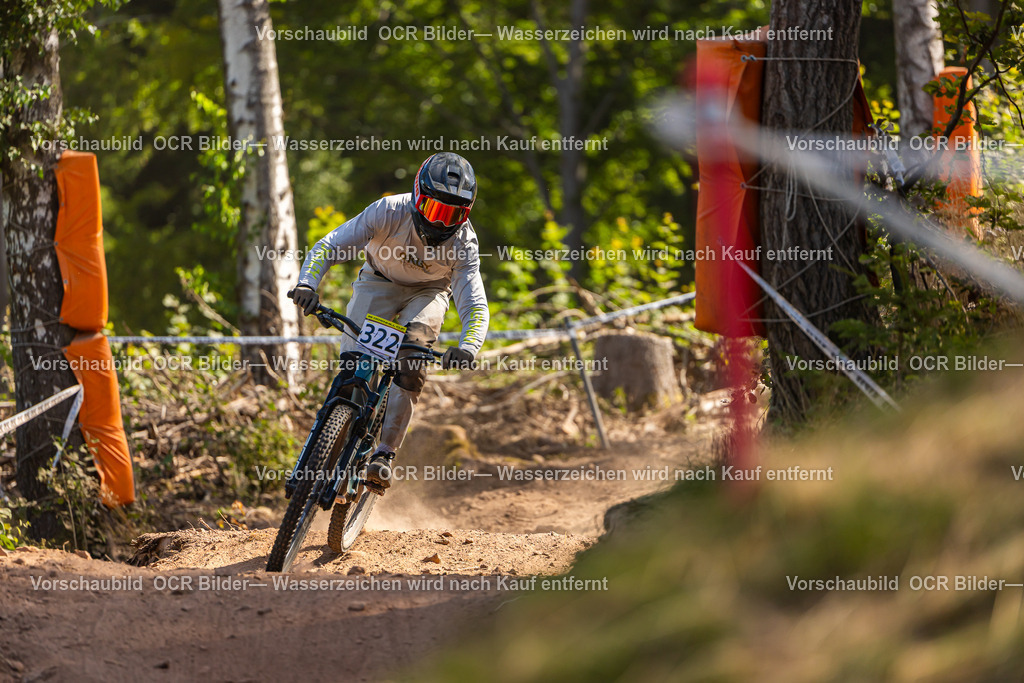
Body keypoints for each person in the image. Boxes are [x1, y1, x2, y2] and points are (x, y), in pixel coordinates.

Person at [290, 152, 489, 492]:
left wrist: (468, 347)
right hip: (377, 280)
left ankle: (384, 455)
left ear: (465, 215)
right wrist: (308, 283)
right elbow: (330, 245)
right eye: (435, 210)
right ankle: (323, 442)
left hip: (429, 292)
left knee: (411, 362)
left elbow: (474, 303)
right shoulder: (388, 210)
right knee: (353, 367)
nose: (441, 223)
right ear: (417, 197)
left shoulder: (464, 244)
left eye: (452, 214)